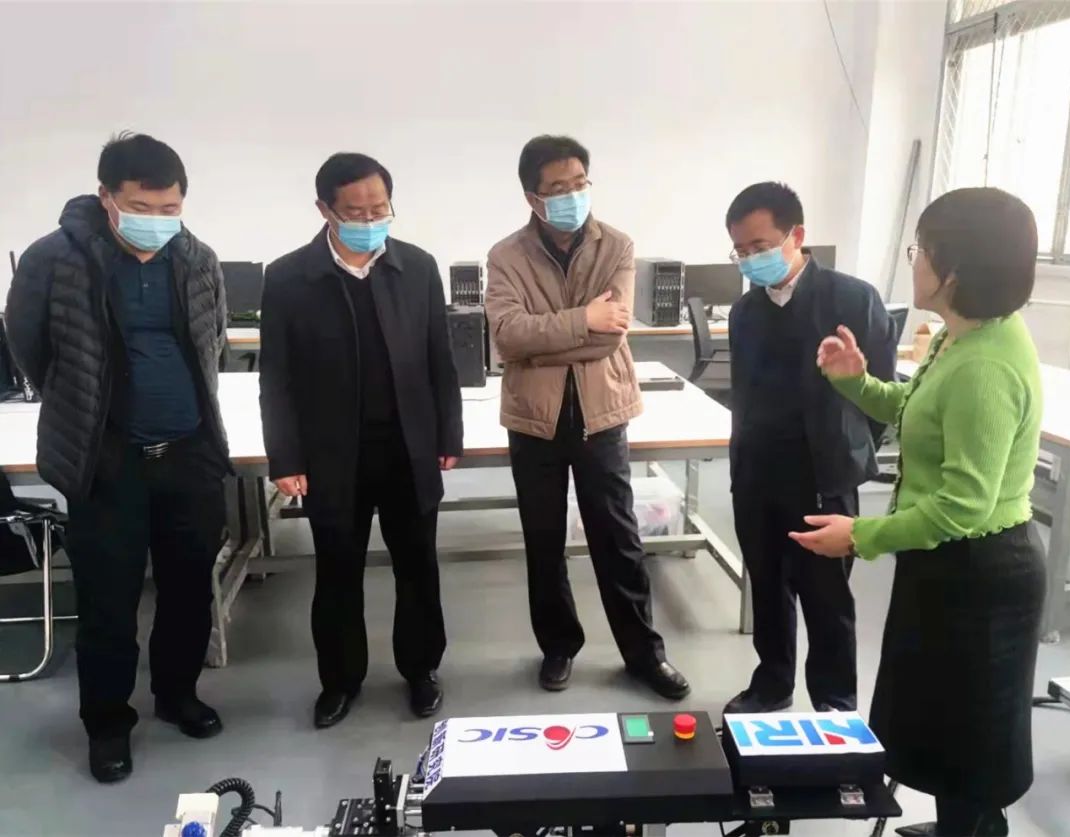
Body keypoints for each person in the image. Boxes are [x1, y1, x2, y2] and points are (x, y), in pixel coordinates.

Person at [795, 187, 1045, 837]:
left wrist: (862, 535)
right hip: (946, 563)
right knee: (942, 718)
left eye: (921, 250)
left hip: (981, 571)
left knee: (972, 731)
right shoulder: (961, 337)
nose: (914, 260)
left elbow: (962, 507)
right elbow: (916, 411)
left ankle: (974, 830)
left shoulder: (985, 367)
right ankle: (958, 825)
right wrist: (856, 381)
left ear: (953, 270)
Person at [5, 133, 230, 783]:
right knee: (109, 602)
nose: (157, 220)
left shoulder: (195, 257)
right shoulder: (54, 260)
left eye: (170, 207)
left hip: (188, 451)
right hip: (107, 461)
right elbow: (29, 346)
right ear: (105, 197)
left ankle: (177, 694)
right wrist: (83, 408)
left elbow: (211, 339)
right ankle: (107, 723)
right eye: (141, 206)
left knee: (189, 588)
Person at [259, 153, 463, 728]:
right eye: (356, 211)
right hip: (332, 455)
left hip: (407, 447)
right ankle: (340, 680)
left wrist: (448, 432)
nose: (371, 220)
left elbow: (440, 359)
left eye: (380, 208)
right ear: (325, 210)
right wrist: (285, 456)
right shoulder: (290, 277)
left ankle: (421, 669)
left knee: (417, 567)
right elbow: (277, 376)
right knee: (337, 572)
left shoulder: (417, 267)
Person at [485, 135, 689, 699]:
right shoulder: (506, 256)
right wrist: (581, 321)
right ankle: (558, 646)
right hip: (534, 417)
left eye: (579, 183)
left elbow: (609, 337)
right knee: (544, 539)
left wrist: (542, 343)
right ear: (533, 198)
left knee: (617, 536)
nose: (572, 195)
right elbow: (507, 337)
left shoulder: (616, 246)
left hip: (602, 412)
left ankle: (644, 654)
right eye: (558, 188)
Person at [723, 182, 897, 716]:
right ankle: (771, 683)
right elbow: (743, 396)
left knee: (827, 597)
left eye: (760, 246)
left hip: (823, 475)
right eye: (740, 251)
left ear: (796, 235)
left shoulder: (853, 299)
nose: (751, 259)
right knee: (767, 585)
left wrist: (847, 450)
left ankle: (835, 699)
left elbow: (882, 394)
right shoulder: (745, 313)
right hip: (758, 474)